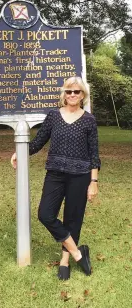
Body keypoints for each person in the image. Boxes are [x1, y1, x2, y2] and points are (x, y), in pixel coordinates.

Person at [11, 76, 100, 280]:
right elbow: (38, 142)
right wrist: (20, 152)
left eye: (76, 92)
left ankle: (65, 262)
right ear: (64, 94)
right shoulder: (53, 116)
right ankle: (78, 253)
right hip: (55, 174)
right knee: (45, 214)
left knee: (73, 218)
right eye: (69, 91)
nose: (72, 95)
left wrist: (93, 182)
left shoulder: (89, 120)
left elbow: (94, 154)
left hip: (80, 175)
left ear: (82, 95)